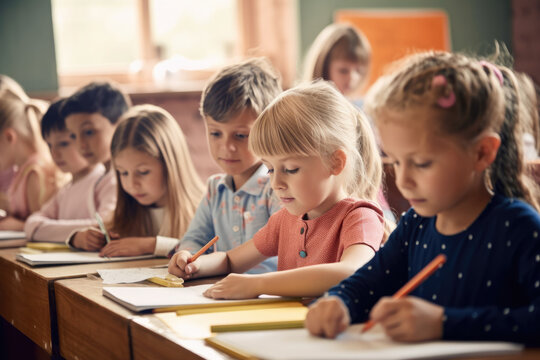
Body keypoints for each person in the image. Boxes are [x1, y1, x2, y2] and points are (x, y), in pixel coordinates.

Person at [305, 51, 540, 345]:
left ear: (481, 153)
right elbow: (367, 284)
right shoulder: (416, 224)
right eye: (396, 162)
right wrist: (338, 302)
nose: (403, 181)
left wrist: (443, 324)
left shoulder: (519, 227)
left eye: (422, 163)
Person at [169, 81, 386, 299]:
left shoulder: (360, 217)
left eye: (290, 169)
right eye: (270, 169)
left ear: (335, 162)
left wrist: (258, 284)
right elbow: (230, 259)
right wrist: (194, 264)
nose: (276, 183)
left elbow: (351, 271)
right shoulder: (284, 220)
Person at [172, 58, 283, 273]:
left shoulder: (277, 187)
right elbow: (195, 238)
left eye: (240, 135)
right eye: (215, 133)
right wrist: (185, 255)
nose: (227, 147)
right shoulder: (216, 190)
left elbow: (281, 249)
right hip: (223, 291)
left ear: (269, 130)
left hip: (268, 294)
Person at [88, 105, 205, 256]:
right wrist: (81, 239)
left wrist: (152, 245)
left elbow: (210, 250)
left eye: (143, 172)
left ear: (170, 166)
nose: (131, 184)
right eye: (123, 172)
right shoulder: (124, 214)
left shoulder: (206, 209)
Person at [24, 99, 107, 242]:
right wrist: (74, 236)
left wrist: (49, 230)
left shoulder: (105, 180)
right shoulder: (65, 190)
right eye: (49, 145)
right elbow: (32, 224)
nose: (54, 154)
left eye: (63, 143)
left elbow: (105, 226)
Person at [61, 81, 131, 249]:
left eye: (89, 132)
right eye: (73, 135)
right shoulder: (96, 177)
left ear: (121, 124)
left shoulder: (122, 179)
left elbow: (104, 228)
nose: (81, 144)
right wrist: (75, 236)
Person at [0, 85, 59, 230]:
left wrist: (15, 225)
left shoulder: (35, 172)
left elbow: (43, 227)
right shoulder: (22, 170)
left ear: (9, 137)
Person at [302, 23, 371, 100]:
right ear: (324, 68)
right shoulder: (304, 104)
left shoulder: (362, 106)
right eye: (343, 70)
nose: (352, 78)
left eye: (359, 71)